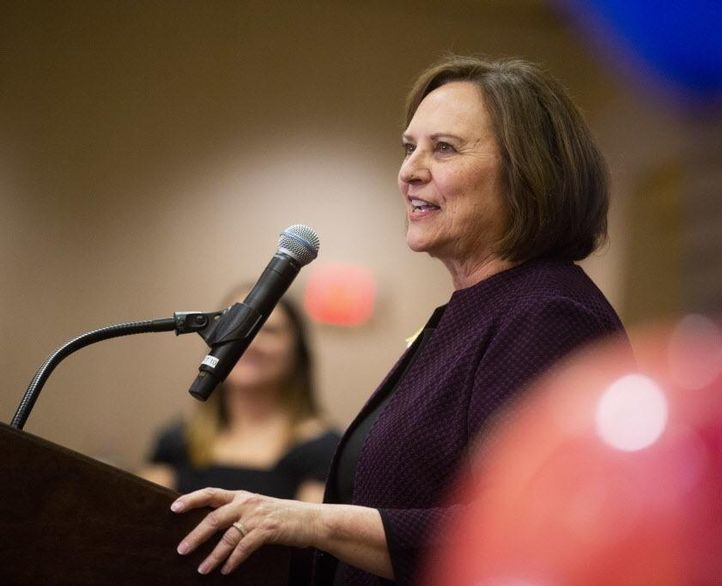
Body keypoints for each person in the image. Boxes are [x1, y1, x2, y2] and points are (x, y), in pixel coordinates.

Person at [169, 55, 629, 585]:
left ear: (529, 172)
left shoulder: (547, 315)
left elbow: (519, 531)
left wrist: (309, 522)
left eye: (444, 148)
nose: (409, 171)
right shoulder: (479, 310)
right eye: (409, 148)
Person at [141, 287, 340, 582]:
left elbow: (308, 557)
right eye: (236, 324)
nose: (249, 340)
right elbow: (141, 528)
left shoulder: (325, 450)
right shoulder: (176, 440)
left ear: (296, 351)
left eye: (268, 330)